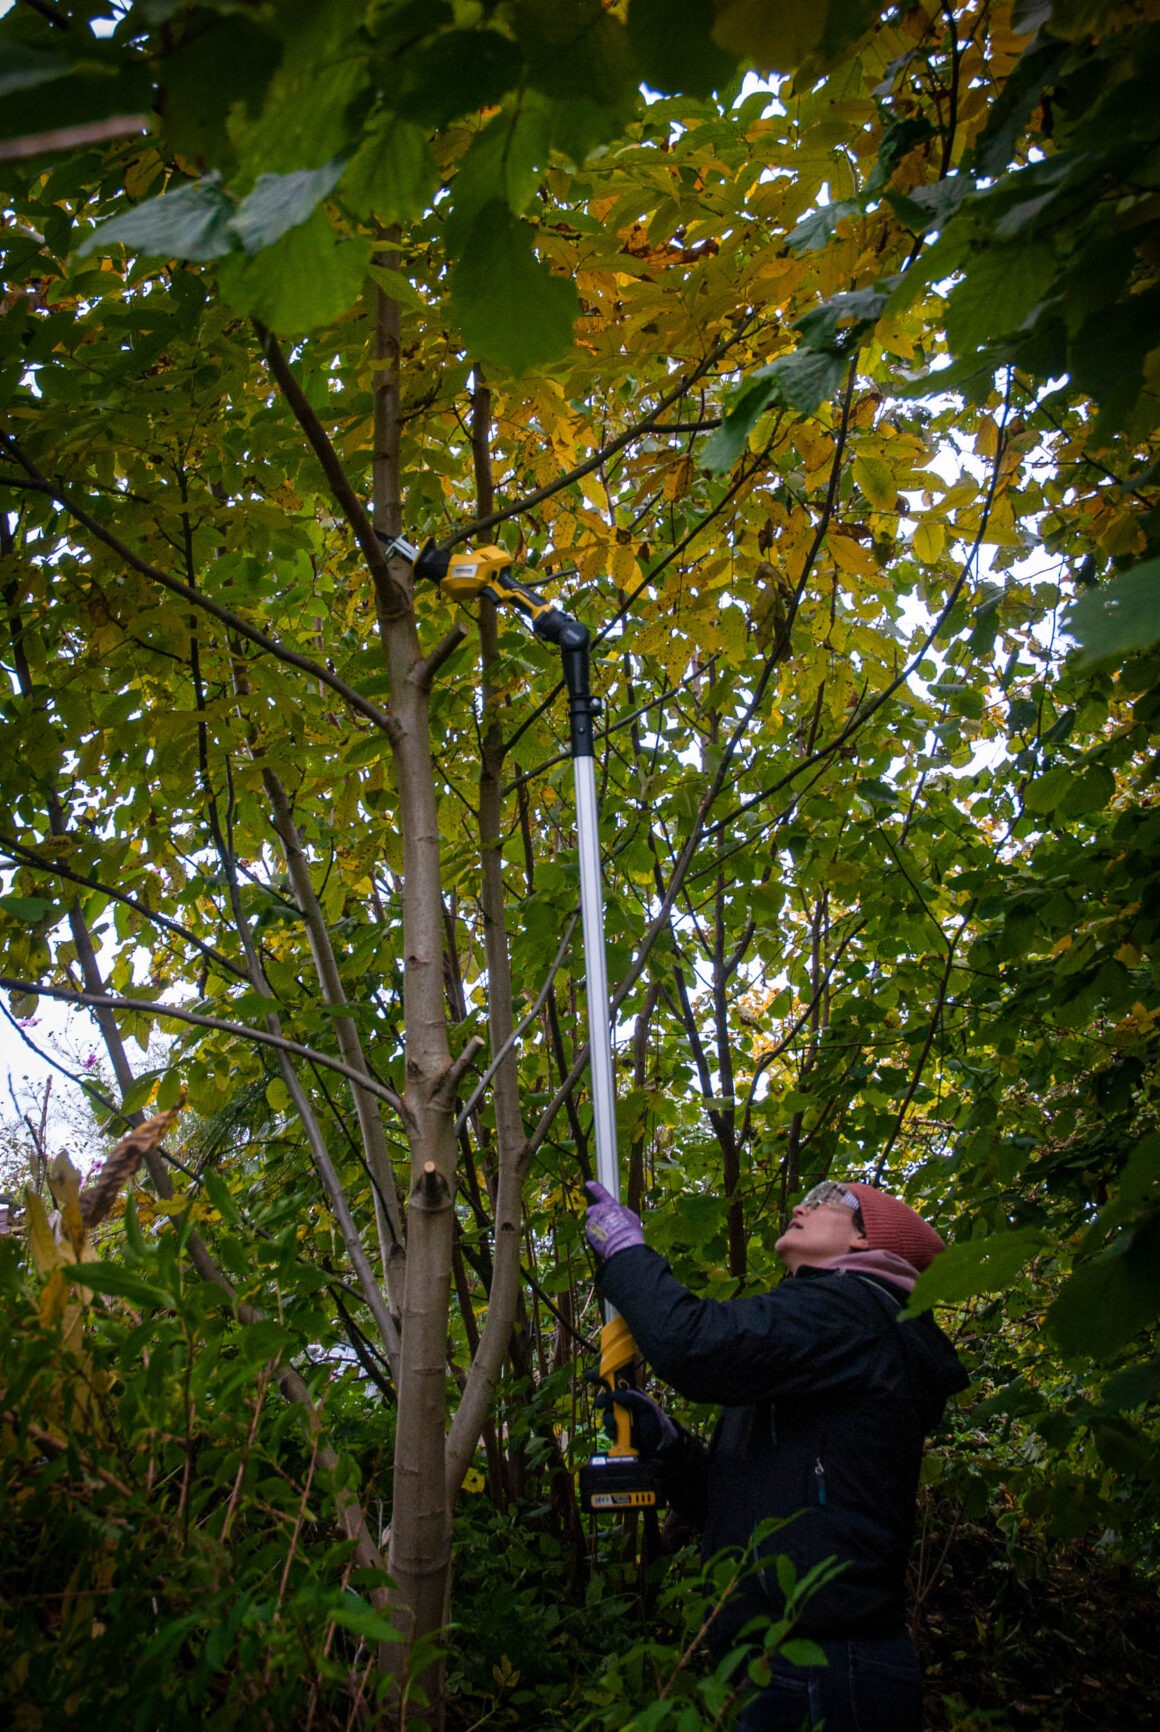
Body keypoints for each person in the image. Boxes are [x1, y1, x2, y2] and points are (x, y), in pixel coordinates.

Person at [585, 1177, 968, 1732]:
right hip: (780, 1664)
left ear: (866, 1239)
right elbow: (733, 1509)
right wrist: (670, 1448)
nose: (801, 1207)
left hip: (826, 1666)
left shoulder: (854, 1309)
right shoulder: (825, 1337)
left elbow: (697, 1346)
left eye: (824, 1202)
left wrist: (627, 1256)